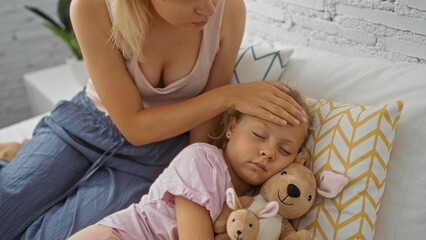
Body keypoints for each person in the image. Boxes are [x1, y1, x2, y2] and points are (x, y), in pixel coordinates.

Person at [0, 0, 307, 239]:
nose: (209, 9)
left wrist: (210, 194)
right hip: (83, 126)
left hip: (158, 150)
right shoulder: (92, 8)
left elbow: (203, 131)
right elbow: (133, 125)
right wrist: (228, 96)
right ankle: (20, 155)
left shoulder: (229, 12)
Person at [69, 87, 313, 239]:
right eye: (258, 135)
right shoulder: (202, 160)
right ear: (231, 127)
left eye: (284, 150)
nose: (269, 152)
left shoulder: (259, 202)